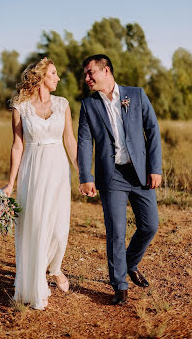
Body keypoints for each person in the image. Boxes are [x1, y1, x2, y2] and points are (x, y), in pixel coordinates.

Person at [78, 54, 162, 305]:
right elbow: (84, 141)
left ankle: (131, 263)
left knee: (150, 226)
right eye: (85, 74)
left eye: (90, 72)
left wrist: (155, 168)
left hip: (139, 172)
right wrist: (86, 175)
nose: (87, 78)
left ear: (106, 71)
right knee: (116, 231)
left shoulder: (135, 95)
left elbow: (152, 130)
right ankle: (120, 286)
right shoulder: (88, 105)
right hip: (111, 174)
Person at [2, 57, 78, 310]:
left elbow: (69, 139)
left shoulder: (62, 104)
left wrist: (82, 174)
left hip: (58, 168)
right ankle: (36, 282)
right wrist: (10, 183)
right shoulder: (20, 107)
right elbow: (17, 144)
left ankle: (55, 268)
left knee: (58, 226)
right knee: (35, 225)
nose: (57, 78)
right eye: (54, 74)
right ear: (41, 76)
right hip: (32, 170)